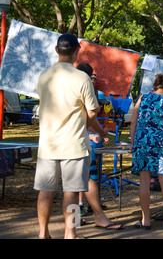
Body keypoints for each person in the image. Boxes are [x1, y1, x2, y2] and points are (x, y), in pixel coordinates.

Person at [34, 33, 108, 239]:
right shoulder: (82, 78)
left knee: (45, 190)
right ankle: (70, 234)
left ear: (57, 50)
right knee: (73, 193)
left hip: (48, 144)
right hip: (74, 145)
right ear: (77, 52)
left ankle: (43, 233)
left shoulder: (44, 76)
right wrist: (88, 126)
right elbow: (93, 112)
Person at [75, 62, 123, 231]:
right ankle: (95, 217)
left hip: (60, 143)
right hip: (78, 143)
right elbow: (90, 116)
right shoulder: (82, 88)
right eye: (91, 78)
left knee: (72, 183)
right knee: (84, 180)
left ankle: (71, 226)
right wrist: (99, 133)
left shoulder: (61, 85)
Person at [130, 73, 163, 230]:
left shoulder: (142, 98)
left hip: (142, 142)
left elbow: (134, 121)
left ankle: (145, 220)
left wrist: (133, 142)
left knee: (144, 180)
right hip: (159, 144)